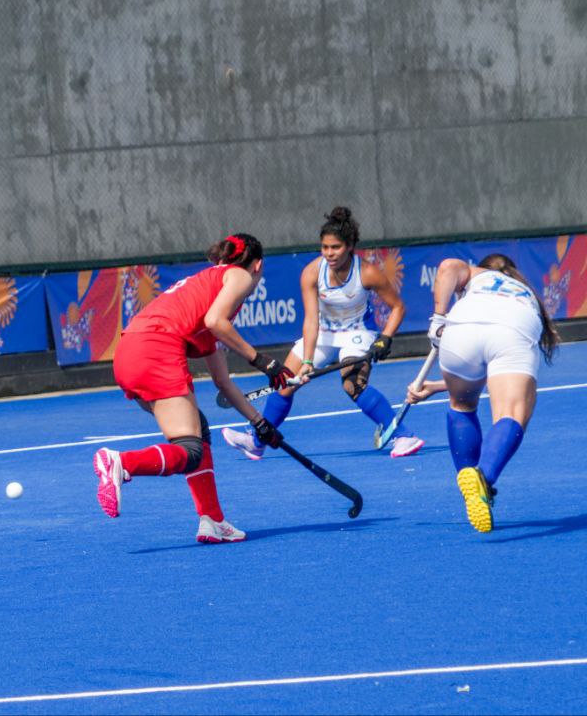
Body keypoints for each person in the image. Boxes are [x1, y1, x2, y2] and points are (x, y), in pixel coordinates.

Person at [92, 233, 290, 544]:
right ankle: (121, 462)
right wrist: (262, 360)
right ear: (258, 266)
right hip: (156, 348)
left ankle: (212, 520)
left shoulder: (204, 289)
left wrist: (260, 423)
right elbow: (216, 321)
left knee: (199, 433)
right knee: (191, 451)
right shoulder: (236, 275)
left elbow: (222, 382)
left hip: (129, 352)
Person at [222, 207, 425, 460]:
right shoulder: (311, 272)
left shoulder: (368, 272)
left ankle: (403, 436)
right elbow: (310, 320)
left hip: (358, 332)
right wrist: (307, 362)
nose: (329, 253)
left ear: (350, 246)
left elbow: (398, 308)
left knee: (353, 385)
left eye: (336, 247)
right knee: (284, 385)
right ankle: (256, 442)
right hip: (323, 333)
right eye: (325, 247)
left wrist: (386, 338)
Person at [404, 254, 558, 533]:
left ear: (485, 266)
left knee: (461, 403)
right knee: (511, 414)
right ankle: (483, 477)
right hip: (513, 327)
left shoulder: (477, 276)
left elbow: (449, 266)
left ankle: (471, 491)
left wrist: (438, 320)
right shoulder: (524, 293)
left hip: (461, 329)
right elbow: (499, 372)